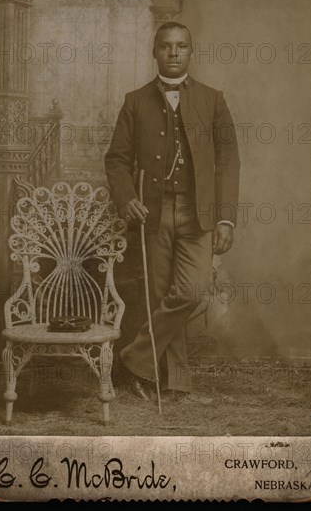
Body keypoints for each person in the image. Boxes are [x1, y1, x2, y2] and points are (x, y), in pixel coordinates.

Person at [105, 22, 240, 402]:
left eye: (181, 46)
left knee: (191, 291)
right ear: (155, 52)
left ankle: (132, 357)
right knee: (163, 292)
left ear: (191, 52)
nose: (174, 52)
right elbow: (116, 159)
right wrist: (126, 195)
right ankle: (175, 381)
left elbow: (229, 161)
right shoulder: (135, 101)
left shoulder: (213, 99)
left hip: (199, 214)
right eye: (166, 46)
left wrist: (226, 217)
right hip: (153, 212)